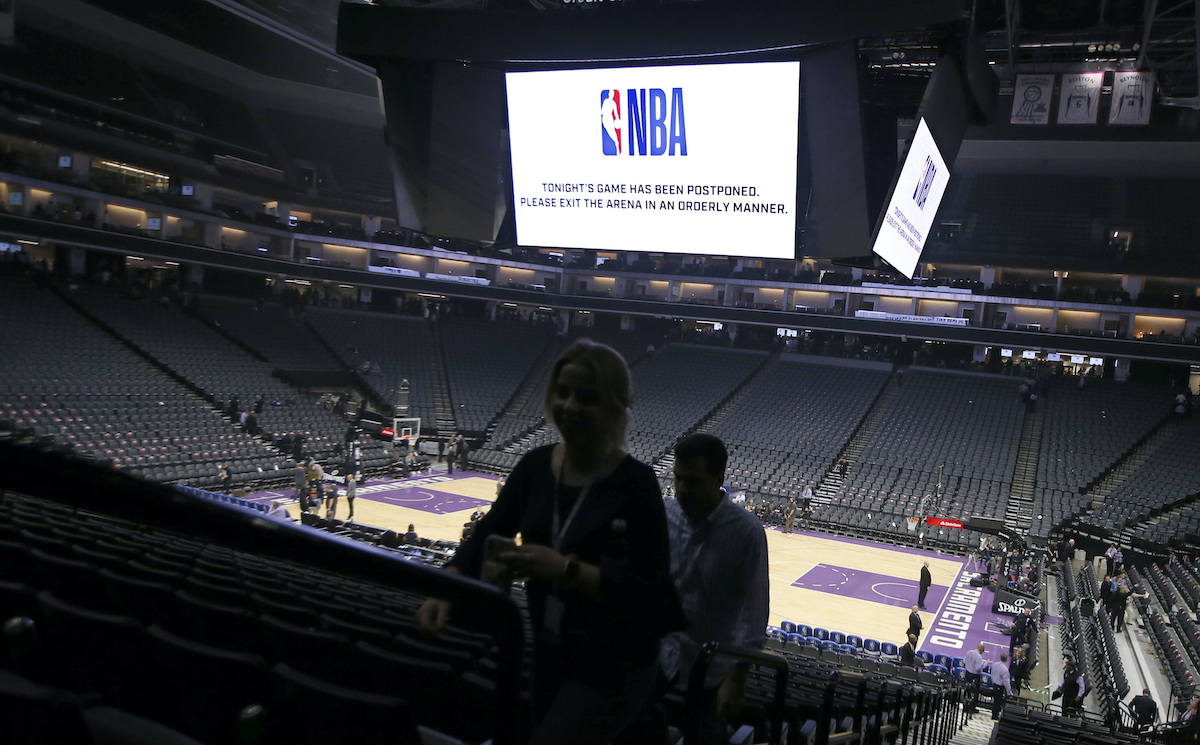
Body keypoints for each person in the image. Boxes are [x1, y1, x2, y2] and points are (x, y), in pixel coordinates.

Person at [415, 339, 684, 745]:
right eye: (562, 392)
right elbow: (491, 529)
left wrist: (564, 569)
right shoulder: (534, 466)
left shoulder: (637, 484)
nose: (570, 406)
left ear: (614, 406)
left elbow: (651, 594)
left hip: (615, 662)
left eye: (587, 397)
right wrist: (448, 583)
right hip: (547, 647)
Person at [635, 433, 769, 745]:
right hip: (659, 662)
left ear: (719, 478)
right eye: (677, 479)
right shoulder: (665, 513)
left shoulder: (747, 532)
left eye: (693, 482)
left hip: (712, 676)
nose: (681, 489)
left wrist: (736, 680)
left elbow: (753, 615)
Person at [963, 642, 986, 714]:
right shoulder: (979, 657)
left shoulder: (969, 652)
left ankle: (965, 707)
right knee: (974, 693)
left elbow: (964, 661)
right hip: (974, 676)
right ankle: (971, 708)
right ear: (981, 650)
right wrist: (985, 664)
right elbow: (978, 668)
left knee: (967, 691)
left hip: (967, 674)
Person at [991, 652, 1012, 720]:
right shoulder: (1004, 669)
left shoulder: (995, 664)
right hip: (999, 687)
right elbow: (1006, 681)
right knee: (998, 702)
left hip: (994, 684)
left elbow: (992, 673)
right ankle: (995, 716)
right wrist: (1009, 692)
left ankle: (994, 714)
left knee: (995, 701)